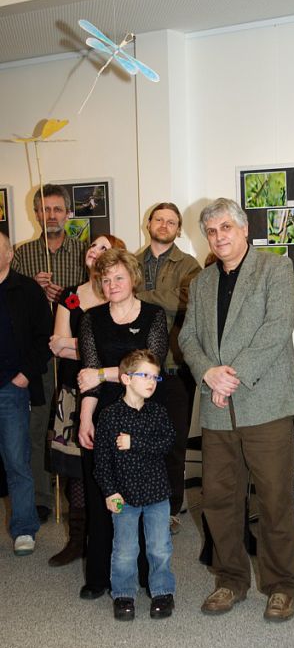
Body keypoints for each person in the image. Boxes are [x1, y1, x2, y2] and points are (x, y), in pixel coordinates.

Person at [179, 198, 294, 621]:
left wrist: (232, 376)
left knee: (274, 500)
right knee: (219, 500)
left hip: (265, 403)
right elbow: (188, 338)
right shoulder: (201, 282)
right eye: (211, 231)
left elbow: (277, 327)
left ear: (244, 229)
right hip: (218, 410)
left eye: (226, 228)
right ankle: (230, 579)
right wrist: (207, 372)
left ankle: (281, 585)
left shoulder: (275, 268)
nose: (219, 237)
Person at [77, 248, 168, 600]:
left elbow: (150, 367)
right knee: (103, 491)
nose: (112, 284)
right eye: (105, 279)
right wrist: (86, 418)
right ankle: (99, 575)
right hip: (105, 413)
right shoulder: (91, 318)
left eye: (119, 277)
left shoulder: (154, 316)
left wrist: (101, 373)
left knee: (141, 494)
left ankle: (145, 574)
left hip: (144, 414)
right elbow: (88, 378)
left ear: (133, 278)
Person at [48, 234, 126, 566]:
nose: (94, 251)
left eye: (104, 247)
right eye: (93, 246)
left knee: (113, 470)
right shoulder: (70, 297)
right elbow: (56, 346)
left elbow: (120, 351)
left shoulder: (119, 295)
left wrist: (75, 344)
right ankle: (78, 540)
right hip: (73, 392)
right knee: (75, 473)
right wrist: (94, 345)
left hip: (111, 395)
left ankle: (115, 540)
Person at [12, 183, 87, 522]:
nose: (51, 215)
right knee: (38, 425)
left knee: (73, 422)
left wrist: (64, 298)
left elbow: (94, 298)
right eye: (45, 209)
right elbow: (11, 302)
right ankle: (42, 497)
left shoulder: (84, 252)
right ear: (36, 214)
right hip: (36, 354)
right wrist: (32, 290)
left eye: (57, 209)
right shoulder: (22, 253)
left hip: (74, 352)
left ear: (68, 213)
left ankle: (78, 496)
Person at [94, 349, 176, 621]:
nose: (152, 382)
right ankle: (123, 594)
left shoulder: (158, 413)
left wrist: (134, 442)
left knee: (159, 547)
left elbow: (167, 443)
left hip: (157, 494)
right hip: (124, 495)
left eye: (155, 377)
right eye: (145, 375)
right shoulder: (110, 416)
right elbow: (102, 460)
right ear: (126, 379)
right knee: (125, 550)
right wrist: (110, 491)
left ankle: (162, 592)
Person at [136, 202, 201, 528]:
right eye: (159, 219)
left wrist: (139, 297)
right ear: (148, 223)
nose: (164, 225)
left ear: (178, 229)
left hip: (175, 368)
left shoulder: (190, 265)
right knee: (138, 441)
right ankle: (141, 502)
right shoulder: (131, 262)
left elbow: (183, 300)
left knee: (173, 443)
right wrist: (160, 296)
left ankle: (172, 509)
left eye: (171, 221)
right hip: (135, 369)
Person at [0, 232, 52, 554]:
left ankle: (24, 528)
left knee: (17, 460)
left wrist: (24, 376)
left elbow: (44, 338)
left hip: (11, 389)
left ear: (9, 255)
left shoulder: (28, 291)